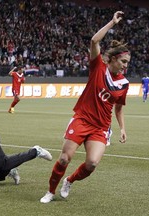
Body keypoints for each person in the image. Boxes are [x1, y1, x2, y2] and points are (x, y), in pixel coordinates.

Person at [40, 11, 130, 203]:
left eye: (127, 63)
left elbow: (119, 108)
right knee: (64, 158)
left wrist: (122, 128)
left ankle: (69, 181)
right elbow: (94, 41)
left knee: (92, 163)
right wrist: (112, 23)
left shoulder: (124, 84)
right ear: (113, 59)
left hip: (101, 127)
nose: (125, 66)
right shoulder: (98, 67)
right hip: (82, 118)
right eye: (123, 61)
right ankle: (50, 191)